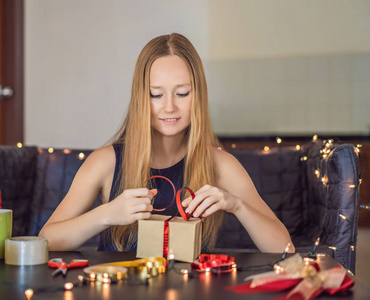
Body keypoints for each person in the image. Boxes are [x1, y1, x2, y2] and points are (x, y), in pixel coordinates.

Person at [39, 33, 295, 253]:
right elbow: (45, 240)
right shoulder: (105, 162)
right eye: (156, 94)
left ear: (199, 95)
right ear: (141, 98)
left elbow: (284, 248)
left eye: (182, 93)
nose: (170, 107)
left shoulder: (221, 164)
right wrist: (106, 214)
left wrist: (237, 205)